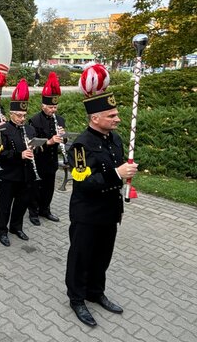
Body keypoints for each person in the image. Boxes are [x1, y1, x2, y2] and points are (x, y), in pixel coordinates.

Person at [66, 64, 138, 327]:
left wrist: (126, 174)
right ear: (95, 118)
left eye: (117, 114)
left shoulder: (115, 139)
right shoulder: (81, 145)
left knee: (102, 256)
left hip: (110, 211)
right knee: (81, 256)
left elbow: (116, 171)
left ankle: (96, 292)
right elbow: (83, 183)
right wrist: (117, 174)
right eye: (112, 115)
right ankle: (76, 298)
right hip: (87, 213)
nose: (117, 119)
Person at [0, 79, 37, 247]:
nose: (22, 118)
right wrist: (19, 155)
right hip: (8, 174)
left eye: (24, 115)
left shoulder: (29, 129)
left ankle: (16, 227)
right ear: (11, 114)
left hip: (26, 174)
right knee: (5, 205)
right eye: (19, 115)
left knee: (21, 203)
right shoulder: (3, 129)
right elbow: (0, 153)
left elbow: (33, 144)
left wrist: (36, 148)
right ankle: (2, 230)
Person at [28, 72, 65, 226]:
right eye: (50, 107)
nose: (53, 109)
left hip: (52, 161)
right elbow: (32, 143)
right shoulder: (34, 120)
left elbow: (65, 137)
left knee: (49, 187)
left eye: (55, 106)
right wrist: (49, 142)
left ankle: (45, 209)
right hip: (39, 160)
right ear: (43, 105)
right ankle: (33, 212)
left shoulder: (60, 119)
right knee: (36, 187)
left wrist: (63, 137)